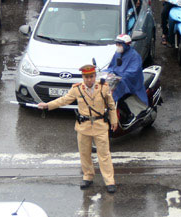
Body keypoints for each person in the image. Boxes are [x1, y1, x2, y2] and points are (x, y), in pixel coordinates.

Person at [36, 64, 119, 192]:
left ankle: (109, 181)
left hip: (100, 125)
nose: (89, 80)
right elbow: (64, 100)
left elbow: (111, 105)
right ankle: (88, 176)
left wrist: (114, 120)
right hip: (83, 126)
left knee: (104, 155)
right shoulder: (77, 89)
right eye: (86, 77)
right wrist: (47, 105)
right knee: (84, 154)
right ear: (83, 77)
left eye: (91, 76)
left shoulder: (103, 87)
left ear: (95, 76)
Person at [106, 34, 147, 114]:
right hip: (117, 80)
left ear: (126, 45)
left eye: (119, 44)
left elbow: (132, 72)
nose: (118, 46)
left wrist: (121, 77)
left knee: (116, 92)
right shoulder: (117, 54)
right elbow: (111, 67)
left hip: (130, 82)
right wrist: (109, 73)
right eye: (117, 44)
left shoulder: (134, 56)